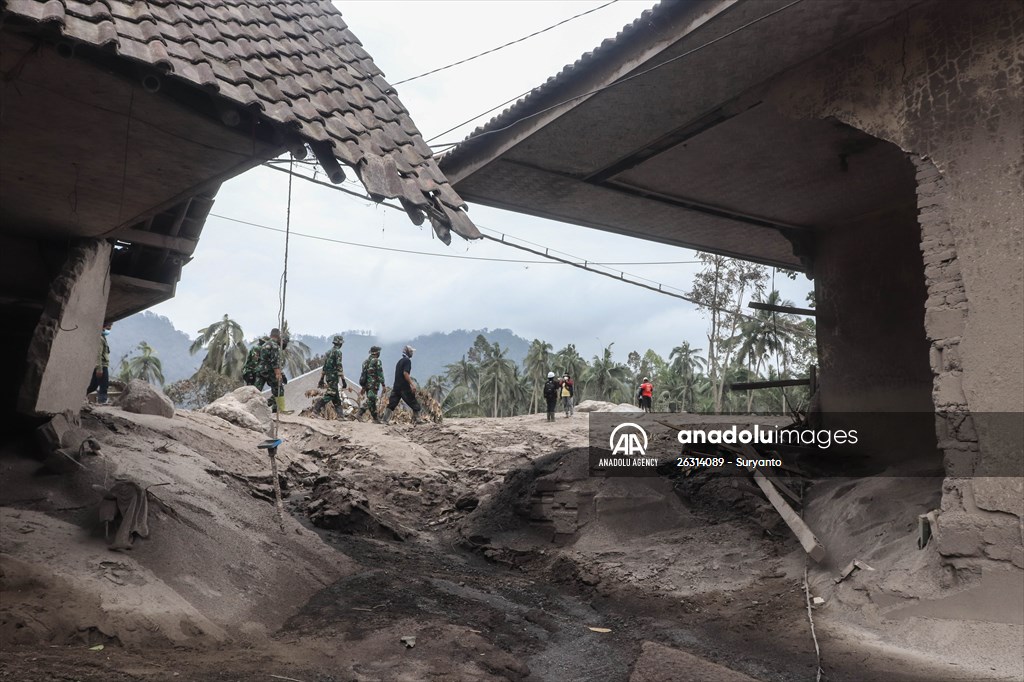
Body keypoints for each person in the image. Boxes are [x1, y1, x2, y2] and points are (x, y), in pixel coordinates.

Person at [383, 345, 422, 425]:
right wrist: (412, 384)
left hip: (396, 387)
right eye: (411, 352)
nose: (412, 353)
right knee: (413, 402)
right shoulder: (407, 361)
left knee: (392, 404)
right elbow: (405, 373)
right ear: (408, 352)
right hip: (404, 387)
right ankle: (418, 420)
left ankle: (385, 420)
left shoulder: (399, 361)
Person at [313, 336, 346, 417]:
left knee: (336, 397)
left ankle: (340, 415)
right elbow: (339, 366)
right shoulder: (338, 352)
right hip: (334, 377)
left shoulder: (329, 352)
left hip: (328, 376)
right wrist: (343, 380)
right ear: (340, 343)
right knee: (330, 394)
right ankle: (316, 409)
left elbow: (325, 366)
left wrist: (321, 378)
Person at [259, 328, 285, 413]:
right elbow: (274, 361)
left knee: (257, 390)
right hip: (270, 371)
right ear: (278, 336)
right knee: (279, 389)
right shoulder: (274, 345)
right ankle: (281, 409)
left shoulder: (264, 345)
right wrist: (278, 374)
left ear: (270, 335)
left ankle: (253, 408)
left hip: (261, 371)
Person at [357, 345, 386, 423]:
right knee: (371, 399)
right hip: (373, 384)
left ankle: (375, 418)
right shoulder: (377, 361)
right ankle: (360, 413)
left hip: (366, 384)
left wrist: (363, 387)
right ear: (376, 353)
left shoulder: (365, 362)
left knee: (372, 401)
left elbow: (363, 375)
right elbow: (380, 373)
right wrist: (383, 385)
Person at [86, 322, 112, 404]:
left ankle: (80, 396)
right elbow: (98, 354)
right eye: (109, 326)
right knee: (104, 385)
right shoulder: (100, 338)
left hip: (99, 365)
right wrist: (99, 368)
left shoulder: (103, 337)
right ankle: (102, 402)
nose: (110, 328)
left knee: (93, 386)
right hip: (102, 365)